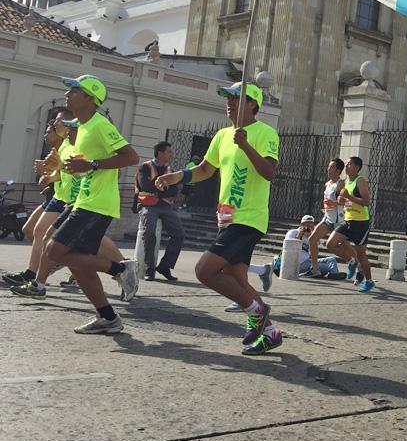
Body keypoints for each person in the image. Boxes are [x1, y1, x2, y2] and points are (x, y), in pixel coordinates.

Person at [156, 81, 282, 355]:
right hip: (227, 218)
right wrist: (177, 176)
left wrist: (246, 145)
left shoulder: (265, 133)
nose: (229, 101)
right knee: (237, 277)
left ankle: (257, 311)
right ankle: (270, 331)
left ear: (252, 104)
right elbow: (205, 170)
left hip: (249, 218)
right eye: (227, 97)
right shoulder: (222, 135)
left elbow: (269, 173)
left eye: (236, 97)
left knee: (205, 271)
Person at [20, 76, 140, 333]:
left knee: (54, 250)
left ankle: (121, 268)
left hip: (97, 204)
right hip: (83, 201)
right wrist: (58, 170)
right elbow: (82, 169)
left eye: (74, 90)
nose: (68, 93)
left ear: (89, 97)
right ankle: (108, 317)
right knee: (75, 260)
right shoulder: (83, 128)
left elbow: (131, 156)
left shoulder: (100, 124)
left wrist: (92, 165)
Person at [3, 110, 76, 288]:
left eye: (51, 127)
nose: (46, 133)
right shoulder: (61, 146)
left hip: (68, 198)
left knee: (43, 233)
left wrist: (48, 175)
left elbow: (71, 172)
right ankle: (48, 265)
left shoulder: (69, 144)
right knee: (31, 230)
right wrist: (47, 176)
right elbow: (60, 173)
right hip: (57, 196)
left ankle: (34, 275)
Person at [135, 141, 186, 281]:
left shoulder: (170, 169)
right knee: (149, 232)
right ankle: (149, 269)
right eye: (169, 152)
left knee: (179, 234)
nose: (171, 154)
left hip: (164, 206)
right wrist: (165, 190)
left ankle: (165, 266)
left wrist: (159, 190)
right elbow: (145, 186)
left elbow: (175, 190)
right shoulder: (144, 167)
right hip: (147, 205)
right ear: (160, 153)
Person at [326, 156, 375, 292]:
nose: (346, 166)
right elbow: (348, 203)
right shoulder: (346, 181)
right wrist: (335, 203)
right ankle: (351, 262)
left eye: (349, 164)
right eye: (346, 164)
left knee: (361, 255)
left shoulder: (361, 181)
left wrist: (349, 196)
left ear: (357, 167)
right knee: (330, 243)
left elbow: (366, 202)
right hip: (347, 221)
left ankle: (369, 281)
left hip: (360, 223)